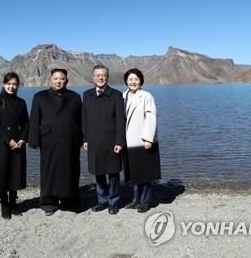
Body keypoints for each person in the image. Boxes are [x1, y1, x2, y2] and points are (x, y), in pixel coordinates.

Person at [29, 68, 82, 216]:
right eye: (56, 78)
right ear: (50, 80)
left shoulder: (75, 97)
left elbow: (81, 120)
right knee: (48, 171)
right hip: (48, 140)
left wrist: (83, 138)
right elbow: (34, 119)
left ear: (67, 80)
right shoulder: (40, 97)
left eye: (62, 79)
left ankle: (69, 202)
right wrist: (33, 139)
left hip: (70, 140)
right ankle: (48, 202)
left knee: (70, 170)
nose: (59, 81)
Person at [82, 64, 126, 215]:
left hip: (111, 141)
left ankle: (113, 201)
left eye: (103, 75)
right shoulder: (86, 95)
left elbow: (121, 120)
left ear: (107, 77)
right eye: (97, 75)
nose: (100, 78)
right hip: (94, 141)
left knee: (113, 173)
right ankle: (102, 200)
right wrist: (85, 138)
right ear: (93, 77)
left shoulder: (116, 95)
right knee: (98, 171)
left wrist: (120, 141)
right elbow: (84, 119)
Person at [0, 72, 29, 220]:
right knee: (2, 174)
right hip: (3, 144)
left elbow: (26, 123)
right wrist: (8, 140)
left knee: (15, 174)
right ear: (4, 84)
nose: (11, 86)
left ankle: (13, 203)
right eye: (9, 83)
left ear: (18, 86)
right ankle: (4, 205)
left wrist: (23, 139)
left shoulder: (21, 102)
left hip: (18, 143)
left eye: (14, 84)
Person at [122, 68, 161, 213]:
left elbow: (151, 117)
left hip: (142, 140)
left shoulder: (146, 96)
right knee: (134, 173)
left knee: (146, 173)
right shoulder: (123, 96)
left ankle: (146, 201)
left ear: (141, 81)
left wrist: (148, 138)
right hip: (128, 141)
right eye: (130, 79)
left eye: (136, 79)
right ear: (126, 81)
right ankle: (135, 199)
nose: (133, 82)